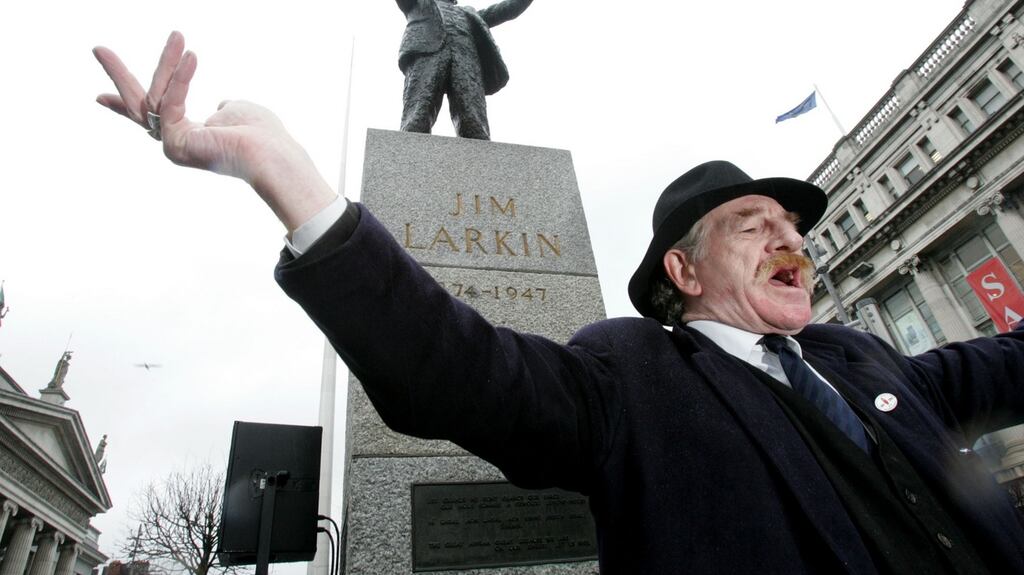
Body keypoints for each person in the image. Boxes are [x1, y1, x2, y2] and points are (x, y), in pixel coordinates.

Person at [94, 33, 1024, 574]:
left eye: (790, 222)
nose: (789, 238)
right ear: (685, 274)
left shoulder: (866, 360)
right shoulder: (635, 377)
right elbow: (455, 369)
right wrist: (290, 182)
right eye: (752, 223)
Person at [394, 0, 533, 140]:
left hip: (465, 58)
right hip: (427, 52)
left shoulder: (469, 13)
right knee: (418, 112)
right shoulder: (419, 3)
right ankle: (409, 147)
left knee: (473, 119)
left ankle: (479, 153)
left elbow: (507, 9)